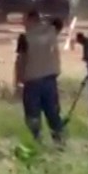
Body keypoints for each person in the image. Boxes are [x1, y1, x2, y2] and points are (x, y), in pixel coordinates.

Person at [14, 10, 64, 144]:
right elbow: (59, 20)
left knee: (33, 116)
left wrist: (18, 83)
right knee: (53, 114)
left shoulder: (25, 38)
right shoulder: (51, 31)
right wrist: (45, 20)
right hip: (50, 80)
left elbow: (21, 62)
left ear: (31, 20)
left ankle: (37, 141)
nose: (23, 23)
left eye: (25, 20)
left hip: (32, 82)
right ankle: (59, 141)